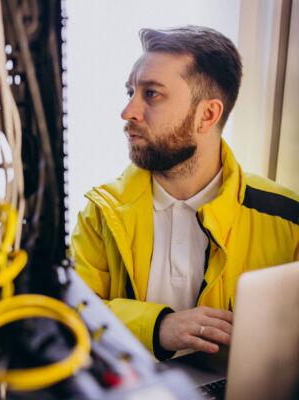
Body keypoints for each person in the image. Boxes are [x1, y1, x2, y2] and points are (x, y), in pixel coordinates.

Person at [70, 26, 299, 360]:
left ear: (207, 115)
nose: (128, 112)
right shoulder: (101, 212)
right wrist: (158, 327)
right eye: (130, 92)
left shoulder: (287, 218)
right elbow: (69, 312)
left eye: (151, 94)